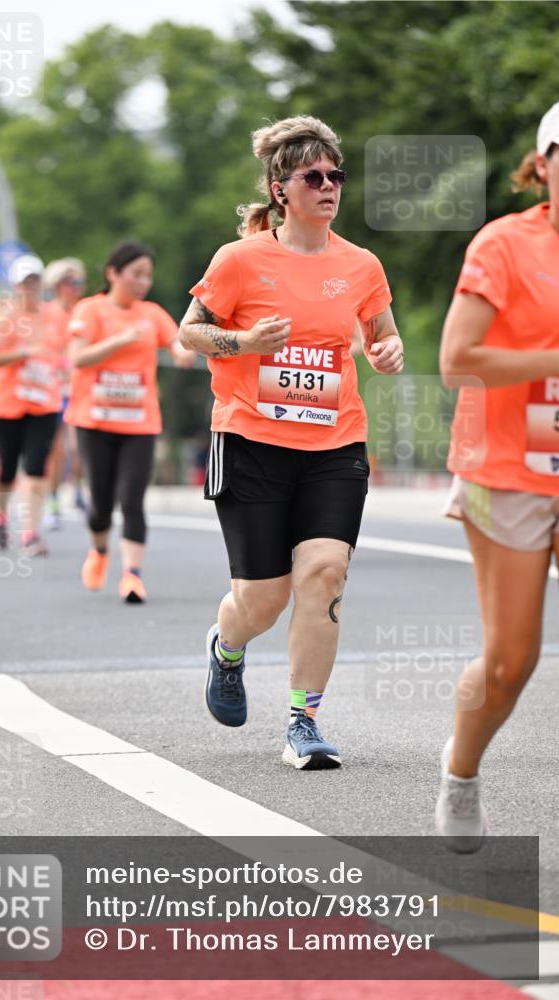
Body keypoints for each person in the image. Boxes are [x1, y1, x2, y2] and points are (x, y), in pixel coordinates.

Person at [179, 116, 403, 769]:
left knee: (324, 573)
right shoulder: (240, 260)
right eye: (315, 176)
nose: (330, 186)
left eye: (337, 175)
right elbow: (189, 333)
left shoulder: (360, 265)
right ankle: (227, 647)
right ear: (281, 189)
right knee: (263, 599)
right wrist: (245, 344)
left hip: (335, 442)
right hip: (250, 439)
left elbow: (381, 335)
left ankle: (303, 721)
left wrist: (386, 352)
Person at [435, 103, 559, 851]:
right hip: (508, 462)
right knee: (512, 659)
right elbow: (456, 361)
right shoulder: (505, 244)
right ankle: (460, 771)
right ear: (540, 162)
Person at [66, 240, 195, 602]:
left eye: (148, 276)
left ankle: (132, 575)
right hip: (94, 421)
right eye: (135, 274)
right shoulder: (89, 310)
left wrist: (189, 351)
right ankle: (100, 551)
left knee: (132, 499)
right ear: (112, 273)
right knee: (100, 505)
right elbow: (78, 358)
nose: (142, 282)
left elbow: (179, 348)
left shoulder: (151, 314)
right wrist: (121, 340)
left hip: (139, 424)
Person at [0, 254, 63, 555]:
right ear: (16, 286)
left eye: (34, 281)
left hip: (44, 405)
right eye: (24, 282)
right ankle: (0, 515)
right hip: (5, 405)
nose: (30, 287)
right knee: (6, 469)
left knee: (36, 467)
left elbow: (65, 354)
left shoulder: (54, 317)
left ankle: (30, 531)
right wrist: (22, 353)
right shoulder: (4, 318)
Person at [42, 257, 87, 529]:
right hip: (52, 390)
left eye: (80, 282)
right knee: (57, 450)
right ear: (58, 285)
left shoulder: (86, 310)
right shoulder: (46, 313)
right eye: (72, 282)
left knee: (78, 448)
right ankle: (54, 499)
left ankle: (80, 491)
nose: (77, 287)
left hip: (81, 388)